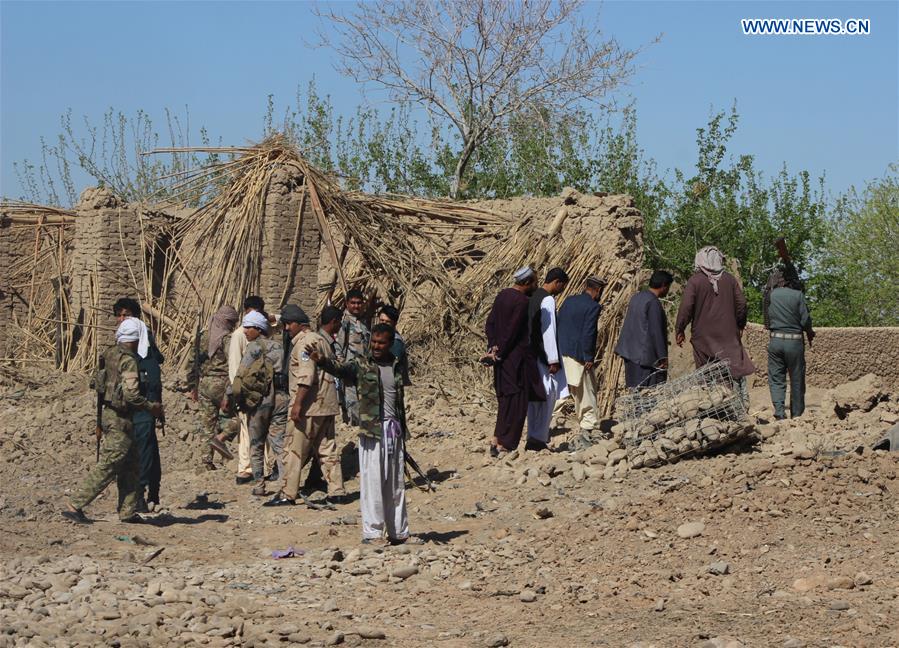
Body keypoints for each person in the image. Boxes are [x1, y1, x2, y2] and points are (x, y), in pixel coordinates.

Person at [306, 323, 410, 544]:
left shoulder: (397, 366)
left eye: (381, 343)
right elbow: (340, 369)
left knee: (395, 484)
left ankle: (398, 532)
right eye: (373, 342)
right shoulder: (361, 365)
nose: (376, 346)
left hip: (394, 431)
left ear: (390, 344)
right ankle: (372, 533)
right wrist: (321, 360)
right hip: (372, 431)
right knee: (373, 482)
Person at [63, 318, 164, 524]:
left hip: (113, 415)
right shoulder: (128, 360)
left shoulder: (109, 354)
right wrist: (151, 407)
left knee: (131, 465)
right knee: (110, 464)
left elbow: (96, 383)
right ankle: (75, 504)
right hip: (120, 418)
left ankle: (127, 511)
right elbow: (131, 395)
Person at [265, 305, 345, 507]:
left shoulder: (304, 344)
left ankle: (288, 493)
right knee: (327, 449)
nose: (286, 329)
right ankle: (337, 491)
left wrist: (297, 405)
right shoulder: (320, 340)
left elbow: (306, 376)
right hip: (326, 404)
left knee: (293, 450)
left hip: (310, 406)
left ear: (299, 325)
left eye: (288, 324)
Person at [675, 246, 755, 405]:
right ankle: (734, 405)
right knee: (729, 371)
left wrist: (680, 329)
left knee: (706, 374)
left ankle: (712, 408)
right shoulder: (729, 279)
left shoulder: (695, 281)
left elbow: (686, 307)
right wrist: (739, 325)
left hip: (703, 338)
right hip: (728, 335)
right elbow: (742, 304)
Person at [227, 311, 288, 496]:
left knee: (256, 443)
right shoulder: (279, 347)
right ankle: (287, 484)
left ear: (258, 329)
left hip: (260, 401)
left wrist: (233, 398)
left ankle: (259, 485)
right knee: (279, 443)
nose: (245, 331)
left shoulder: (253, 348)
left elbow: (241, 376)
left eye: (248, 328)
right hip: (281, 399)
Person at [112, 297, 164, 513]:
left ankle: (143, 495)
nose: (122, 319)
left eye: (127, 315)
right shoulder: (124, 344)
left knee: (144, 451)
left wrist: (152, 407)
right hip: (128, 409)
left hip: (142, 408)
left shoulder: (143, 344)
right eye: (120, 315)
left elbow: (152, 378)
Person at [484, 267, 542, 455]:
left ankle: (496, 438)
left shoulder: (502, 295)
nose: (536, 286)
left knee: (504, 399)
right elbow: (512, 330)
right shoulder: (522, 301)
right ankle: (505, 443)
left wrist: (493, 347)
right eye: (534, 282)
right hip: (516, 359)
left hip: (501, 359)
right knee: (517, 401)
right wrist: (500, 350)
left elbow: (490, 323)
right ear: (526, 283)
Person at [187, 305, 240, 470]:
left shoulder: (201, 337)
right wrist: (230, 392)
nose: (232, 326)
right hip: (223, 384)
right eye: (231, 322)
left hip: (204, 385)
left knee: (206, 424)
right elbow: (234, 365)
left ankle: (206, 462)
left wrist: (192, 386)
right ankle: (221, 439)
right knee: (241, 417)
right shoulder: (227, 339)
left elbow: (191, 363)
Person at [526, 267, 570, 451]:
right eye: (562, 286)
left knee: (535, 399)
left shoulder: (532, 296)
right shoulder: (547, 300)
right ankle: (538, 438)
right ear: (557, 282)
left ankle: (533, 436)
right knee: (547, 396)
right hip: (543, 357)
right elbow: (548, 331)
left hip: (531, 353)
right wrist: (553, 359)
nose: (561, 290)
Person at [556, 276, 606, 435]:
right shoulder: (593, 306)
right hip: (578, 355)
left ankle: (544, 424)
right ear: (598, 290)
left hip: (561, 352)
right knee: (586, 392)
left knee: (560, 391)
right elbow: (589, 333)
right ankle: (588, 426)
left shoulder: (569, 301)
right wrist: (588, 357)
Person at [764, 270, 815, 419]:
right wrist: (810, 332)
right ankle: (797, 415)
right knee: (797, 378)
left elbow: (767, 319)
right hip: (794, 342)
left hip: (775, 341)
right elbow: (805, 320)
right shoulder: (797, 295)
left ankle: (779, 412)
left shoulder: (770, 295)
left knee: (776, 378)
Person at [614, 270, 674, 389]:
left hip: (630, 355)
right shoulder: (653, 303)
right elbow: (655, 332)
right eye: (668, 287)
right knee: (646, 395)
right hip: (643, 358)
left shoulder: (637, 297)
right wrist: (662, 358)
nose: (667, 290)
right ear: (663, 286)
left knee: (635, 393)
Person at [229, 295, 265, 485]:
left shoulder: (262, 333)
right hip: (246, 390)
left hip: (261, 389)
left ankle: (261, 466)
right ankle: (245, 469)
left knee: (260, 428)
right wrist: (238, 392)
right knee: (245, 429)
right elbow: (235, 366)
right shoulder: (238, 335)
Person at [336, 289, 371, 426]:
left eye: (359, 303)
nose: (356, 306)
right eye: (353, 303)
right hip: (350, 368)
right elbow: (339, 346)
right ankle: (353, 424)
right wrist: (342, 367)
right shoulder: (344, 322)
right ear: (347, 304)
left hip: (364, 368)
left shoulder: (362, 321)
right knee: (351, 400)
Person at [378, 304, 411, 386]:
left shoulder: (395, 342)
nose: (384, 324)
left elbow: (390, 367)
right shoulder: (382, 338)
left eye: (387, 322)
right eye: (382, 320)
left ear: (394, 323)